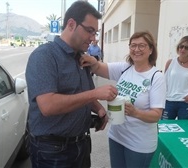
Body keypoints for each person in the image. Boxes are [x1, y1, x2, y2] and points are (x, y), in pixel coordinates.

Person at [25, 1, 118, 168]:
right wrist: (95, 94)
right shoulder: (44, 56)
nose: (93, 38)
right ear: (71, 24)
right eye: (90, 31)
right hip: (52, 150)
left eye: (95, 33)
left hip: (81, 144)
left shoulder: (81, 57)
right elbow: (48, 105)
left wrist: (98, 108)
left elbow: (83, 94)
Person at [80, 31, 166, 168]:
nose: (136, 49)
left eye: (142, 46)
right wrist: (93, 61)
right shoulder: (125, 68)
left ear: (151, 49)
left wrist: (135, 112)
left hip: (139, 144)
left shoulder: (156, 77)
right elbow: (99, 68)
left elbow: (156, 115)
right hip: (117, 137)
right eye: (133, 45)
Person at [161, 36, 188, 120]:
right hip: (169, 102)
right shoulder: (170, 63)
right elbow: (164, 83)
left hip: (186, 103)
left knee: (185, 129)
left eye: (186, 47)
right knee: (165, 128)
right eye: (181, 46)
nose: (183, 49)